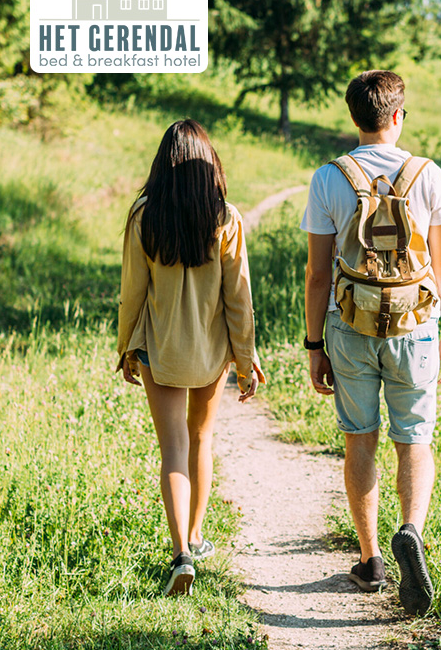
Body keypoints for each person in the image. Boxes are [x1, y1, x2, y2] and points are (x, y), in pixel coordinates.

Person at [300, 70, 441, 614]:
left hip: (350, 325)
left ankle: (370, 561)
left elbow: (317, 275)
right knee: (414, 438)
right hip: (415, 326)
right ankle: (410, 530)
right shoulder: (427, 175)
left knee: (359, 439)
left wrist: (314, 345)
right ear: (397, 116)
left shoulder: (329, 178)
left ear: (355, 118)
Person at [116, 119, 265, 597]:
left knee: (172, 449)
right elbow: (238, 297)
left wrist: (125, 346)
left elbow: (132, 291)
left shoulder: (144, 215)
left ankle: (180, 551)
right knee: (201, 438)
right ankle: (197, 538)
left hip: (160, 348)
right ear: (209, 165)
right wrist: (245, 357)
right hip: (211, 350)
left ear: (163, 163)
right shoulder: (226, 217)